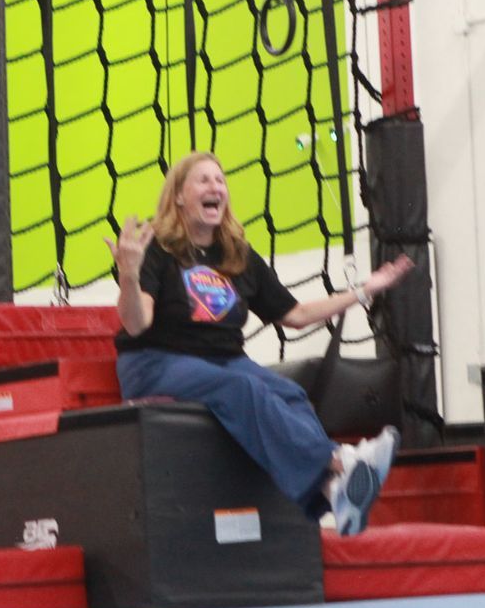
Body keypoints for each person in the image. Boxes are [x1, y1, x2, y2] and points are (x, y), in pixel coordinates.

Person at [105, 150, 414, 536]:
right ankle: (340, 460)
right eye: (203, 180)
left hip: (223, 361)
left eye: (220, 181)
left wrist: (364, 291)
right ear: (180, 196)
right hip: (157, 361)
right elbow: (137, 324)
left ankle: (333, 491)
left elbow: (296, 315)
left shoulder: (238, 256)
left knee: (290, 395)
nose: (215, 187)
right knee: (241, 387)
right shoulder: (158, 249)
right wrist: (130, 277)